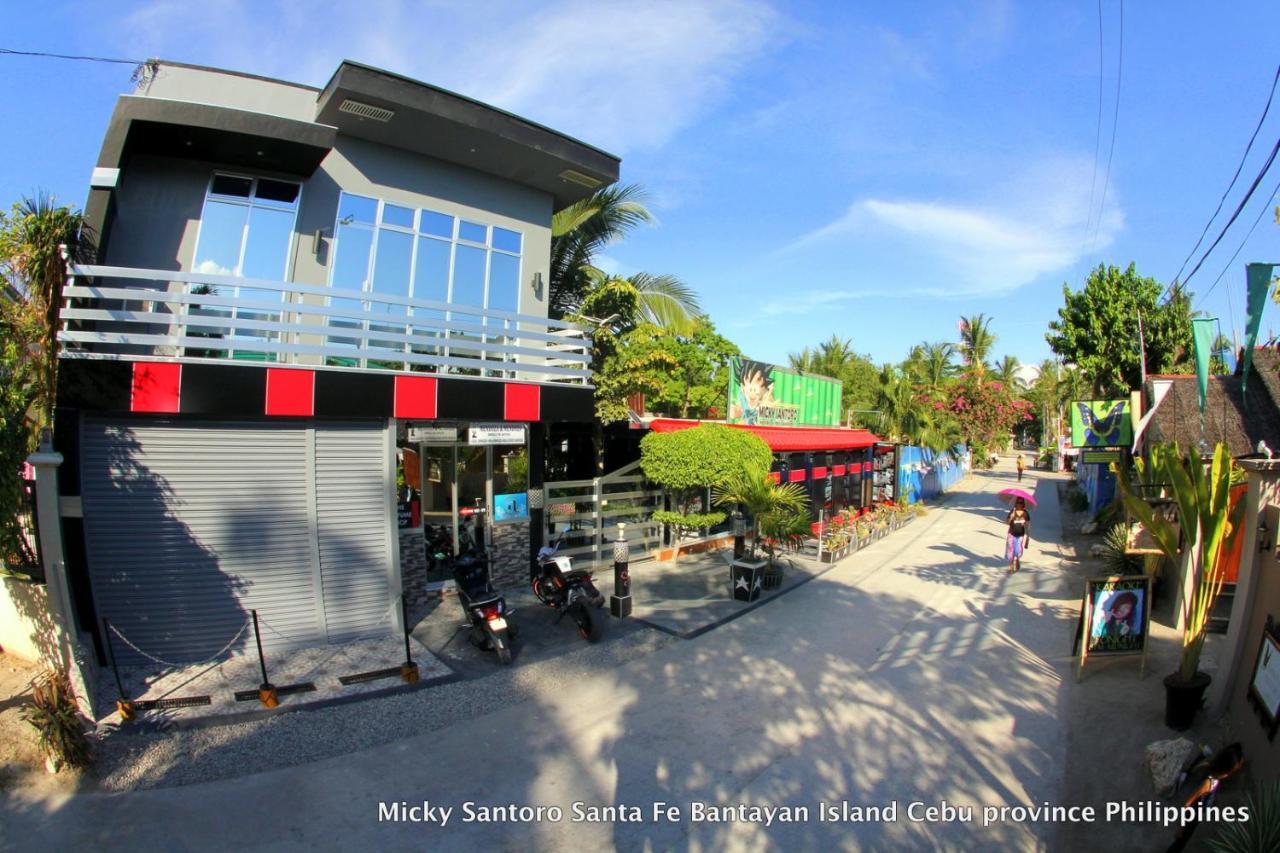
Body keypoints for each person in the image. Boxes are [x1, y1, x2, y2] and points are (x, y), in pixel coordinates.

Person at [1005, 496, 1031, 573]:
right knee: (1011, 550)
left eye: (1021, 502)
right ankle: (1011, 566)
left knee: (1018, 550)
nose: (1019, 504)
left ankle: (1018, 559)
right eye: (1018, 502)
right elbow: (1007, 522)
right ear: (1015, 503)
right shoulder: (1012, 511)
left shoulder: (1025, 513)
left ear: (1023, 504)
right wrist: (1011, 517)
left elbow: (1028, 525)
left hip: (1020, 535)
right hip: (1011, 534)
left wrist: (1028, 537)